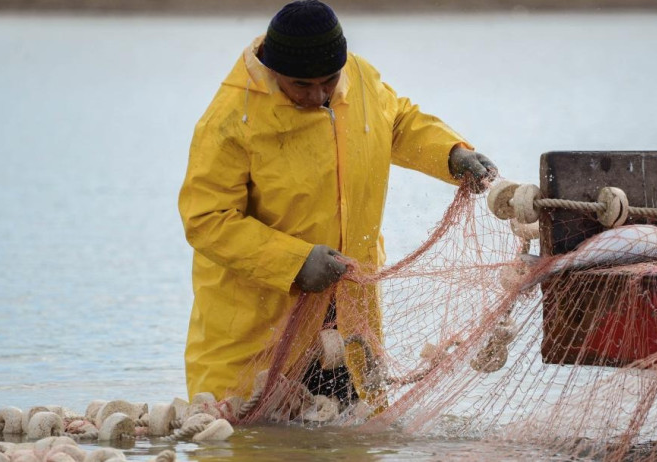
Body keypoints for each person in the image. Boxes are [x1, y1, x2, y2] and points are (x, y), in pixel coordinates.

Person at [178, 0, 498, 409]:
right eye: (302, 86)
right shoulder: (229, 120)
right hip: (260, 322)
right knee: (249, 442)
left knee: (353, 434)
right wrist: (295, 261)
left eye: (329, 81)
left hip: (347, 313)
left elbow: (396, 122)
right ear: (273, 71)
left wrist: (451, 154)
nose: (319, 95)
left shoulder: (360, 77)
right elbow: (206, 220)